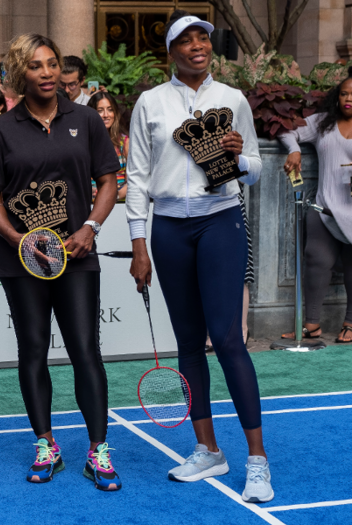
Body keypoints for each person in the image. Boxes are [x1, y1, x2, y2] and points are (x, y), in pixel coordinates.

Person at [126, 11, 271, 503]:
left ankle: (256, 460)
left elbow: (254, 170)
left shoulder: (233, 100)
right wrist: (138, 244)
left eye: (203, 38)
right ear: (170, 52)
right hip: (167, 228)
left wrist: (240, 156)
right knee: (189, 342)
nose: (197, 46)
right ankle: (208, 449)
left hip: (219, 220)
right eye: (185, 40)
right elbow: (138, 179)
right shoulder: (150, 102)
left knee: (229, 338)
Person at [0, 33, 121, 491]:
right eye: (36, 66)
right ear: (22, 72)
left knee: (85, 350)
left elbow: (109, 180)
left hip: (76, 256)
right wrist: (19, 240)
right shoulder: (1, 130)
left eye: (52, 64)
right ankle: (46, 444)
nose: (47, 72)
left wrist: (91, 227)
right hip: (23, 260)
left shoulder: (86, 120)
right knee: (33, 350)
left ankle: (97, 450)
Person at [280, 67, 352, 343]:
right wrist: (294, 149)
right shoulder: (323, 122)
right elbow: (288, 131)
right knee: (316, 261)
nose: (348, 99)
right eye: (344, 94)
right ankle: (311, 325)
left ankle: (350, 323)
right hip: (324, 207)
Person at [88, 92, 128, 201]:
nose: (106, 115)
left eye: (110, 109)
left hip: (119, 204)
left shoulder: (125, 143)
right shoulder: (83, 143)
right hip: (90, 203)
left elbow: (134, 180)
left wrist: (114, 196)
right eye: (100, 111)